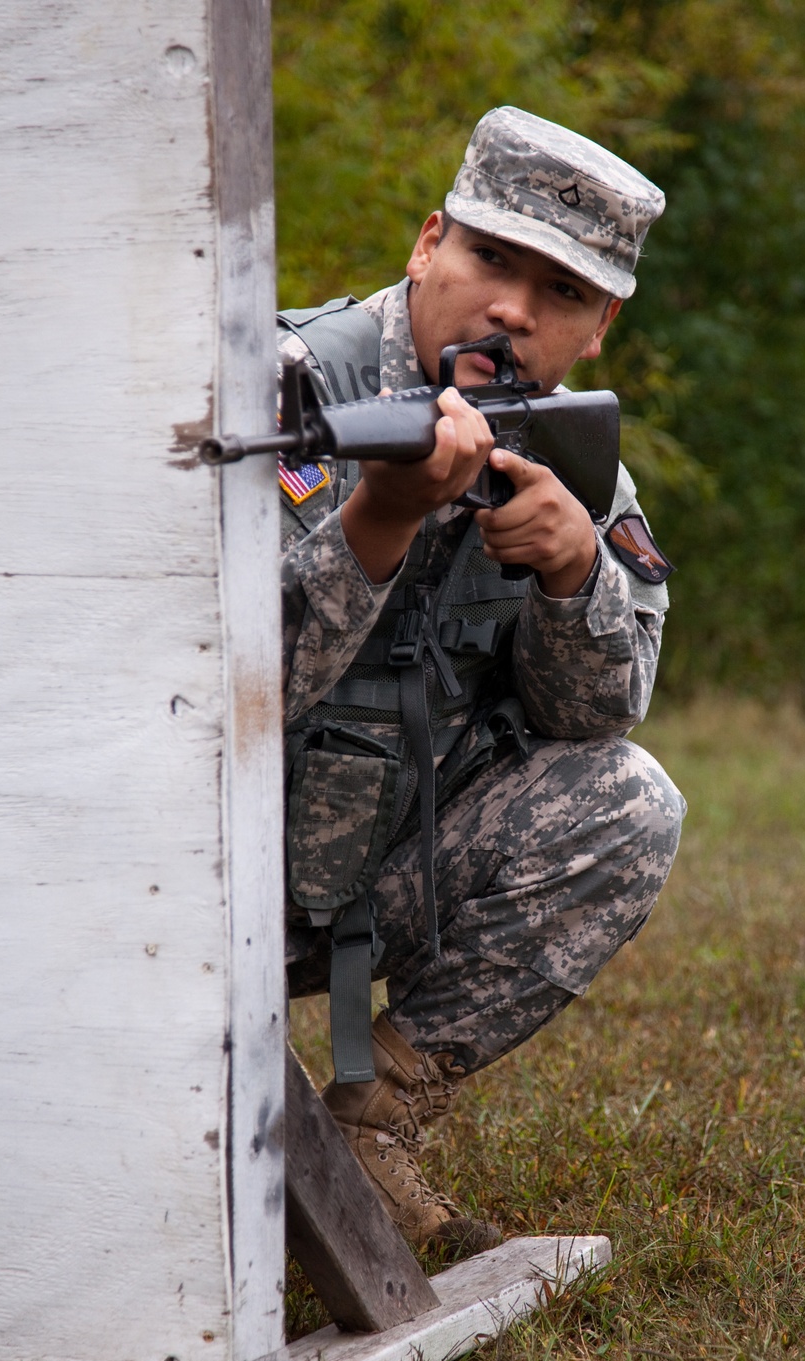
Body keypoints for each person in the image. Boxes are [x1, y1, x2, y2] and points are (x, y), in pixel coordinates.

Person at [279, 106, 685, 1256]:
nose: (511, 308)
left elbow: (594, 718)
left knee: (627, 801)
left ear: (599, 327)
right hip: (188, 878)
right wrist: (379, 520)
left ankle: (372, 1120)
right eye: (490, 259)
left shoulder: (571, 458)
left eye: (560, 292)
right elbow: (190, 697)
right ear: (425, 245)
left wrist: (572, 577)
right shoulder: (276, 399)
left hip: (377, 874)